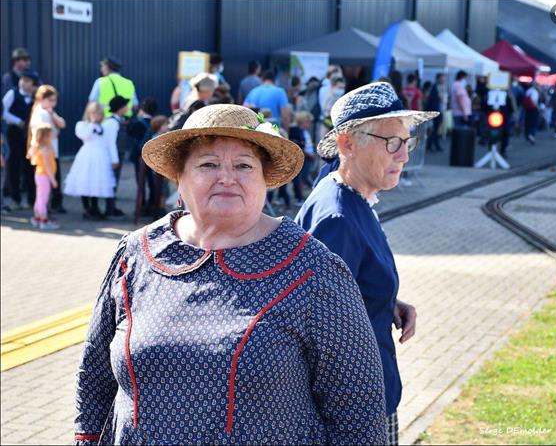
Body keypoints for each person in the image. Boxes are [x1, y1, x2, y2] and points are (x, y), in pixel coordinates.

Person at [74, 103, 388, 445]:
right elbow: (95, 375)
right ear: (179, 178)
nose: (226, 177)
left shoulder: (315, 271)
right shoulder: (136, 254)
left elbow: (358, 413)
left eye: (243, 165)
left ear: (265, 179)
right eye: (208, 164)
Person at [294, 82, 439, 445]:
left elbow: (347, 291)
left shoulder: (350, 197)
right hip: (354, 409)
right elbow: (319, 333)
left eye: (407, 141)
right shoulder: (337, 218)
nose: (404, 155)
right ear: (347, 144)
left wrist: (388, 302)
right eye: (392, 142)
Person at [64, 102, 116, 220]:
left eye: (98, 114)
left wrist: (113, 159)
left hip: (100, 157)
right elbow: (84, 136)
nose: (96, 116)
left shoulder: (104, 127)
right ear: (88, 113)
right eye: (93, 113)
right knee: (85, 181)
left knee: (96, 182)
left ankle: (95, 207)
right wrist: (92, 124)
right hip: (86, 156)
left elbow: (109, 143)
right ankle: (86, 208)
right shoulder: (82, 125)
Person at [28, 84, 67, 213]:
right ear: (41, 99)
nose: (53, 103)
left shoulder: (48, 112)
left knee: (47, 184)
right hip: (45, 153)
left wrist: (53, 115)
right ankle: (44, 212)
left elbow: (62, 124)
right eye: (50, 100)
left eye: (54, 100)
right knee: (46, 184)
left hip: (50, 152)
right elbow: (46, 133)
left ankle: (46, 209)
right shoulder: (40, 113)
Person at [2, 70, 37, 209]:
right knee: (14, 166)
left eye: (27, 81)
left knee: (30, 167)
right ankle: (14, 198)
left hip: (30, 136)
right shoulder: (13, 93)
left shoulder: (36, 96)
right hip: (14, 134)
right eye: (22, 79)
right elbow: (3, 111)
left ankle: (32, 199)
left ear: (33, 84)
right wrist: (17, 121)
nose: (23, 82)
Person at [27, 123, 59, 229]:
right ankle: (43, 221)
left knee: (39, 197)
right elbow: (48, 167)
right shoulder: (45, 150)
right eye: (51, 134)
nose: (54, 136)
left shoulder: (44, 147)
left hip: (40, 176)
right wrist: (53, 179)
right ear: (46, 136)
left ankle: (36, 218)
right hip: (44, 176)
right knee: (43, 200)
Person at [102, 96, 129, 218]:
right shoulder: (112, 123)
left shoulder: (119, 120)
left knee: (115, 181)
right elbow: (111, 142)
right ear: (120, 108)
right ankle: (109, 208)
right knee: (112, 181)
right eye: (125, 105)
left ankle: (112, 206)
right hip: (114, 156)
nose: (127, 108)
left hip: (119, 154)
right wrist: (115, 159)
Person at [317, 76, 346, 141]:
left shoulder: (341, 98)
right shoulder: (328, 96)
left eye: (343, 88)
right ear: (333, 86)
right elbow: (324, 109)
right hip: (326, 121)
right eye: (339, 87)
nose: (341, 90)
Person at [425, 73, 445, 152]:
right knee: (435, 129)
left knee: (435, 129)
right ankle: (432, 145)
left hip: (438, 110)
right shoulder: (434, 87)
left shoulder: (439, 87)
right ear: (438, 78)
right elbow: (433, 100)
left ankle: (432, 145)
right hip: (435, 110)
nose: (443, 80)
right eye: (442, 78)